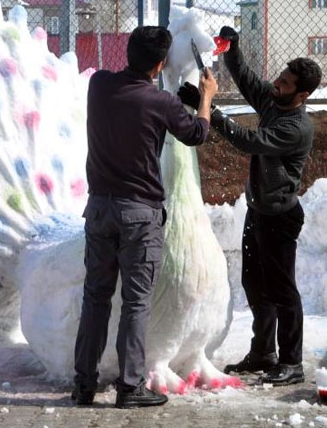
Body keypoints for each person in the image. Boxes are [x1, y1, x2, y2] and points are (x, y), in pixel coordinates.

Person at [73, 25, 217, 409]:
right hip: (139, 214)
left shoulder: (99, 85)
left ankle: (83, 384)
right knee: (136, 302)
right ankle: (130, 386)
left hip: (100, 208)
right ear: (160, 64)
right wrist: (206, 98)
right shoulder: (162, 103)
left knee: (96, 298)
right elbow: (197, 135)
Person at [177, 26, 322, 386]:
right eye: (280, 76)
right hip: (259, 211)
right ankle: (263, 352)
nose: (277, 83)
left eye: (285, 83)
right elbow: (244, 77)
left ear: (301, 94)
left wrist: (206, 106)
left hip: (280, 217)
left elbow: (248, 141)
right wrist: (234, 48)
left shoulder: (295, 127)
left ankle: (292, 362)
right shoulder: (275, 101)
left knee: (282, 289)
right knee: (255, 285)